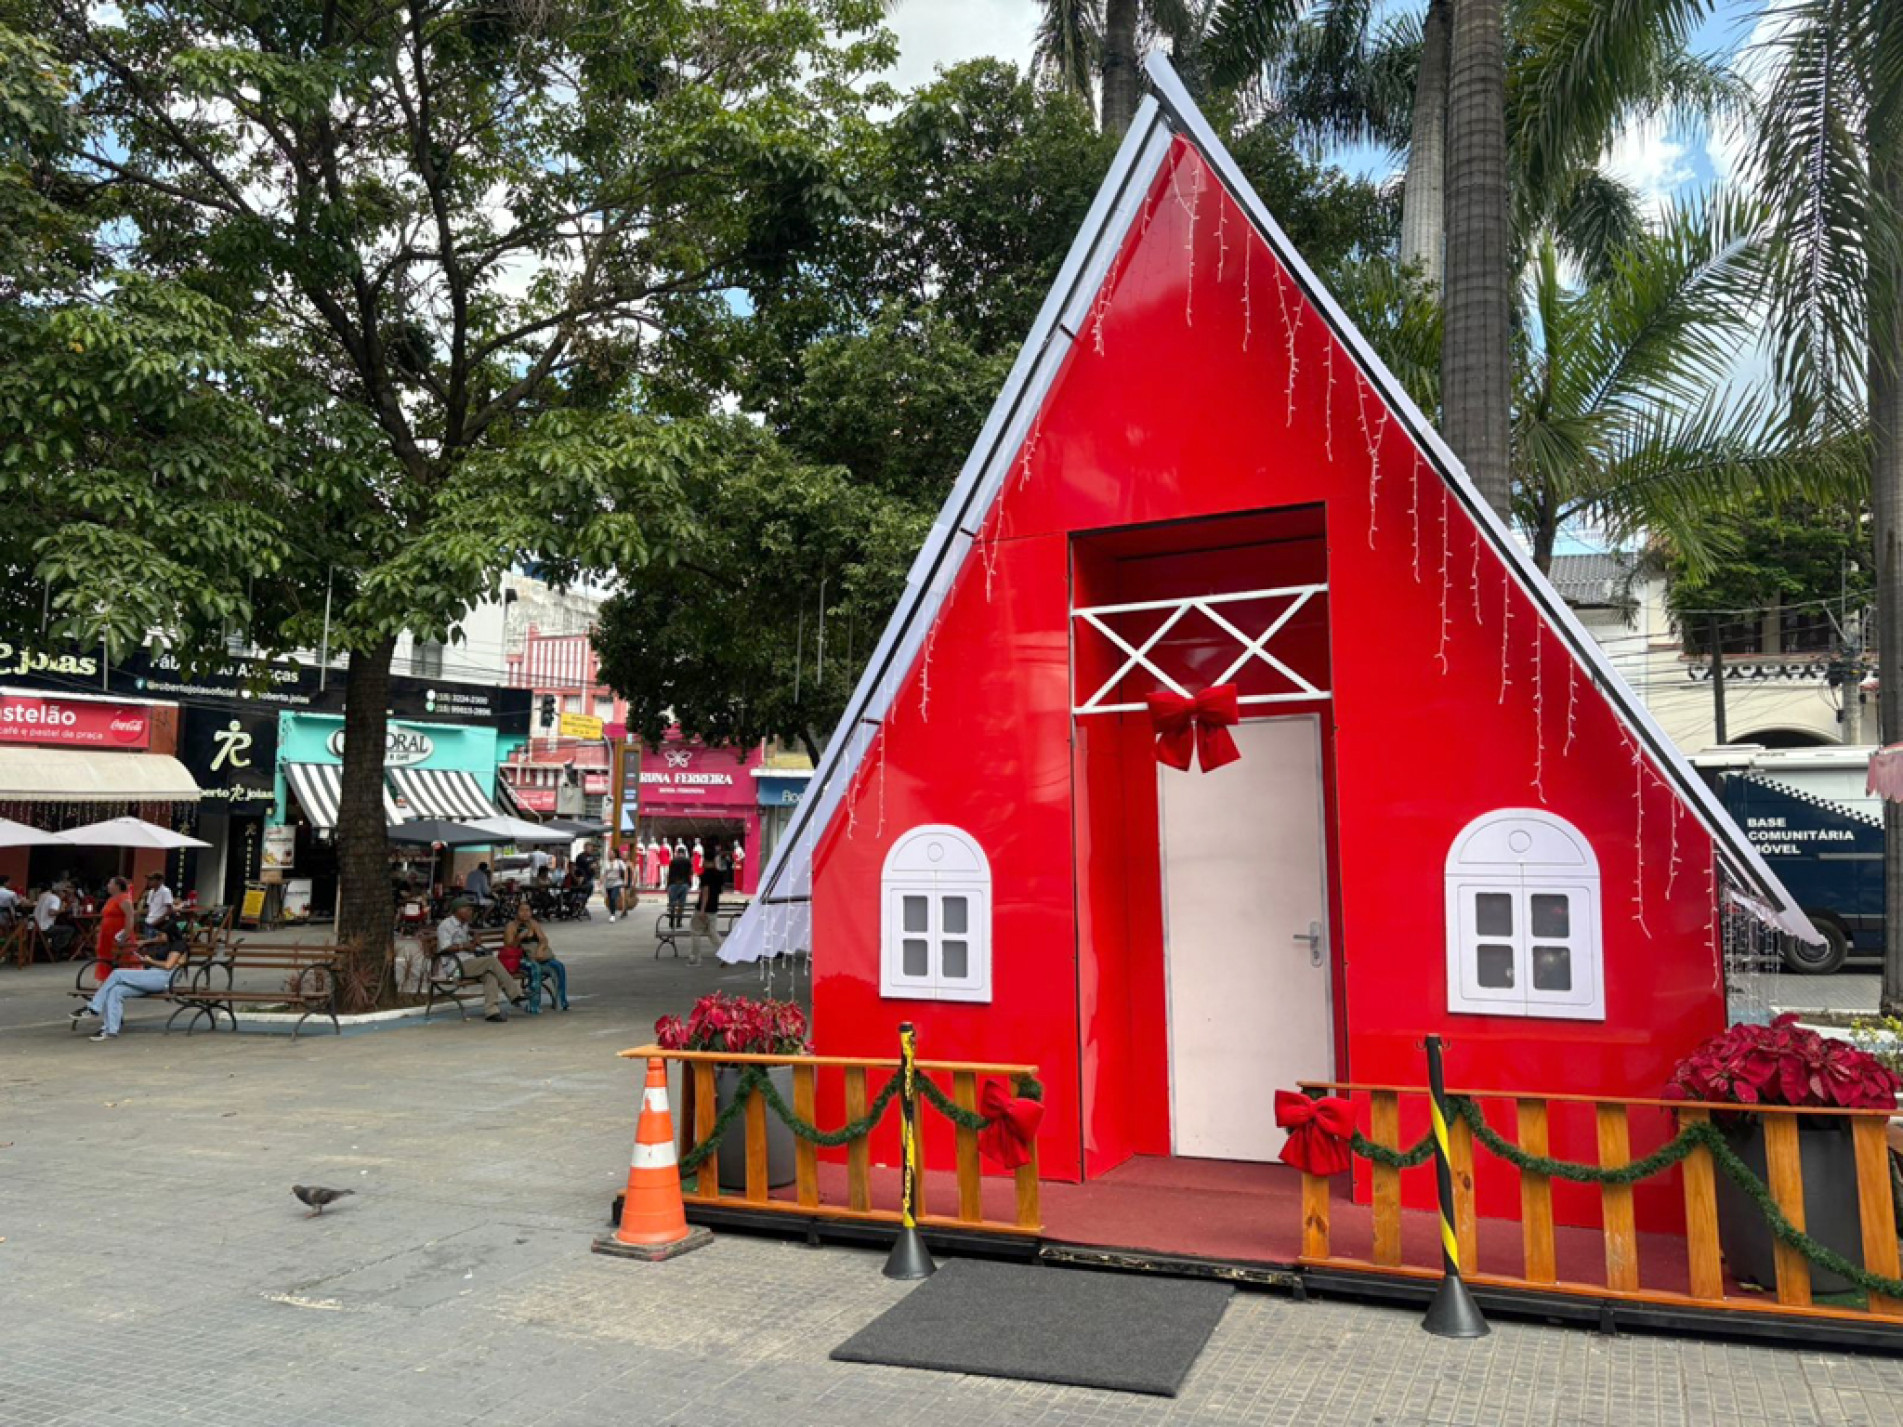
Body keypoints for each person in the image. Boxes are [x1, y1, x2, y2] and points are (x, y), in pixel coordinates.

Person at [71, 927, 185, 1041]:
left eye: (161, 934)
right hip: (151, 977)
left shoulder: (179, 945)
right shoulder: (166, 944)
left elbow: (168, 966)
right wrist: (146, 945)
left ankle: (93, 1008)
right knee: (116, 990)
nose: (158, 937)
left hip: (163, 978)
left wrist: (150, 961)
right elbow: (157, 946)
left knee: (117, 974)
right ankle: (110, 1030)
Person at [433, 899, 521, 1022]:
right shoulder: (445, 926)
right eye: (468, 909)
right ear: (458, 910)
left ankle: (492, 1012)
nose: (471, 912)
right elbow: (444, 948)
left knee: (490, 975)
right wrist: (463, 946)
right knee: (491, 961)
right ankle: (515, 994)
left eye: (471, 910)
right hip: (455, 967)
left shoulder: (464, 924)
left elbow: (469, 944)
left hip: (468, 962)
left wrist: (474, 940)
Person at [503, 902, 569, 1013]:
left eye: (528, 910)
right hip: (521, 959)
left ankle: (561, 1002)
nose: (525, 913)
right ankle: (534, 1005)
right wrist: (519, 938)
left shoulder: (533, 924)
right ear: (517, 912)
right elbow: (509, 947)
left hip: (538, 957)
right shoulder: (511, 926)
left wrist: (540, 949)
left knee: (558, 966)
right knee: (535, 968)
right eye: (522, 910)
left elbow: (544, 939)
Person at [94, 876, 140, 976]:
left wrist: (126, 933)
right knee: (105, 954)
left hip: (118, 933)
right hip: (107, 933)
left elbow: (130, 916)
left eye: (110, 883)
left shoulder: (124, 898)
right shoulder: (111, 899)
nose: (108, 886)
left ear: (117, 886)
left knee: (122, 956)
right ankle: (105, 977)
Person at [689, 848, 728, 964]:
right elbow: (720, 891)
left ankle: (695, 958)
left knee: (695, 931)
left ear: (705, 860)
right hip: (714, 907)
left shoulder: (705, 875)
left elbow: (705, 892)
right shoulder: (719, 875)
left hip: (704, 907)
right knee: (713, 933)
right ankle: (725, 954)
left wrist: (702, 910)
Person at [34, 884, 75, 959]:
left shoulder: (43, 895)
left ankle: (49, 949)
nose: (65, 895)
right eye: (64, 892)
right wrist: (61, 910)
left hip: (35, 926)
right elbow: (51, 912)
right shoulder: (55, 899)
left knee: (60, 927)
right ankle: (55, 950)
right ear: (59, 892)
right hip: (45, 928)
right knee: (70, 930)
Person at [665, 843, 692, 929]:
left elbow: (670, 873)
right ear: (684, 853)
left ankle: (671, 921)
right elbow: (690, 873)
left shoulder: (673, 861)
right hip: (684, 884)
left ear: (677, 853)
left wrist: (668, 884)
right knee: (681, 904)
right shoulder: (688, 861)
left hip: (673, 884)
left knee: (672, 903)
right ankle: (679, 922)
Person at [142, 870, 176, 940]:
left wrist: (156, 922)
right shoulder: (151, 892)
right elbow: (150, 908)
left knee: (156, 946)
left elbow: (169, 910)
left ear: (159, 881)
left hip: (158, 923)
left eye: (152, 879)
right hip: (148, 922)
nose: (149, 881)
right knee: (147, 945)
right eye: (149, 879)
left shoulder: (165, 891)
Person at [603, 847, 629, 922]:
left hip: (617, 882)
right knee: (610, 898)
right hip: (608, 883)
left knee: (613, 897)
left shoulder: (619, 862)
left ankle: (612, 915)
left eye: (611, 853)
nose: (610, 854)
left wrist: (625, 880)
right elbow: (604, 873)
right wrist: (601, 881)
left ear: (615, 854)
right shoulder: (606, 862)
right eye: (609, 853)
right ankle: (612, 912)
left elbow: (625, 870)